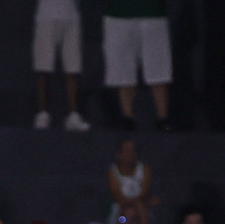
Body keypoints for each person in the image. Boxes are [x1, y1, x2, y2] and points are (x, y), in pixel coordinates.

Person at [102, 1, 171, 130]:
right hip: (118, 14)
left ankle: (163, 118)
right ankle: (128, 117)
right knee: (123, 70)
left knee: (158, 68)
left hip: (152, 14)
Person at [32, 0, 89, 131]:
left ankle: (73, 115)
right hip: (46, 15)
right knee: (43, 67)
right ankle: (42, 114)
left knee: (72, 68)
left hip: (71, 16)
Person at [106, 139, 153, 223]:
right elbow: (118, 197)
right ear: (119, 154)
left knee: (140, 209)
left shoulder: (145, 169)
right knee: (126, 215)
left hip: (141, 208)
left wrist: (137, 204)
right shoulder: (113, 172)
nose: (130, 154)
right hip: (121, 209)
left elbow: (145, 192)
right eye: (127, 151)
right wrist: (133, 204)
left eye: (133, 151)